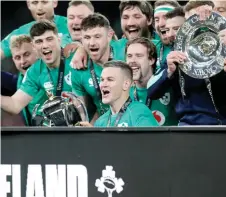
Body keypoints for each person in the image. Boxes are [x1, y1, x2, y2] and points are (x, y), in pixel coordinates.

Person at [147, 4, 226, 125]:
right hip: (188, 124)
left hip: (221, 124)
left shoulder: (221, 47)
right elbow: (152, 92)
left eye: (177, 28)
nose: (170, 35)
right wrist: (168, 71)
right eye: (167, 30)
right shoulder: (175, 56)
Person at [0, 20, 73, 122]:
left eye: (49, 39)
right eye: (39, 41)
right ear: (34, 46)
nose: (45, 45)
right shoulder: (34, 72)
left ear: (59, 40)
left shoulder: (76, 59)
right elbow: (15, 105)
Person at [70, 13, 125, 124]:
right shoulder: (78, 67)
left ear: (109, 36)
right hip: (105, 123)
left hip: (134, 118)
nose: (92, 43)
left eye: (97, 37)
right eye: (87, 37)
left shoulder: (126, 49)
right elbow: (82, 112)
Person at [70, 0, 157, 69]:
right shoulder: (114, 47)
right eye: (125, 17)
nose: (130, 23)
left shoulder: (162, 45)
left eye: (137, 17)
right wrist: (82, 49)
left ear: (149, 20)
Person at [80, 60, 159, 127]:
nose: (103, 84)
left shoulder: (139, 112)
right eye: (102, 80)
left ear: (126, 84)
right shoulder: (100, 122)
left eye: (110, 79)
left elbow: (151, 144)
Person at [126, 37, 178, 126]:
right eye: (129, 56)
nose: (132, 61)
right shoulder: (124, 93)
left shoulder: (169, 86)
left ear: (151, 60)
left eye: (139, 56)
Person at [1, 0, 69, 60]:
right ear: (28, 4)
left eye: (44, 2)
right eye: (35, 2)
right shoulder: (21, 32)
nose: (39, 8)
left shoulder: (71, 25)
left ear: (54, 2)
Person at [1, 35, 41, 125]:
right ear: (13, 60)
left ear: (37, 53)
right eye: (17, 58)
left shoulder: (47, 71)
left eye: (26, 54)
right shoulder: (20, 79)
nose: (23, 61)